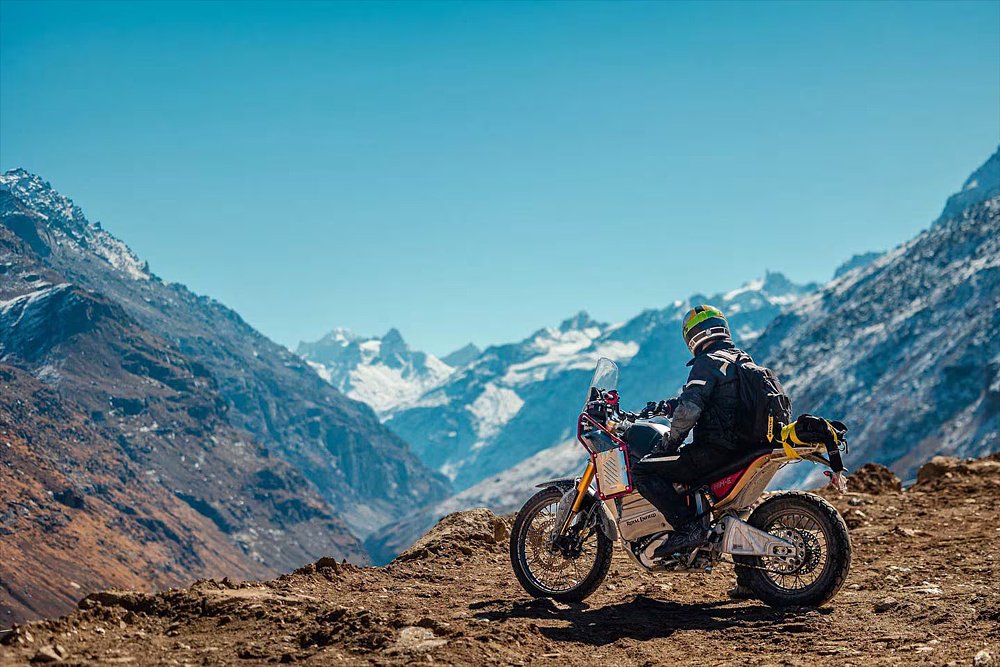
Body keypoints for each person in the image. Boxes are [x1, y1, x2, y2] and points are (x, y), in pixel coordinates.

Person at [632, 304, 754, 561]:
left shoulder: (707, 362)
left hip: (716, 451)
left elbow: (690, 409)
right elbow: (717, 400)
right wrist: (669, 406)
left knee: (644, 470)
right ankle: (748, 579)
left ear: (693, 336)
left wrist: (669, 443)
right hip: (744, 449)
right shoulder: (741, 360)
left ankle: (688, 528)